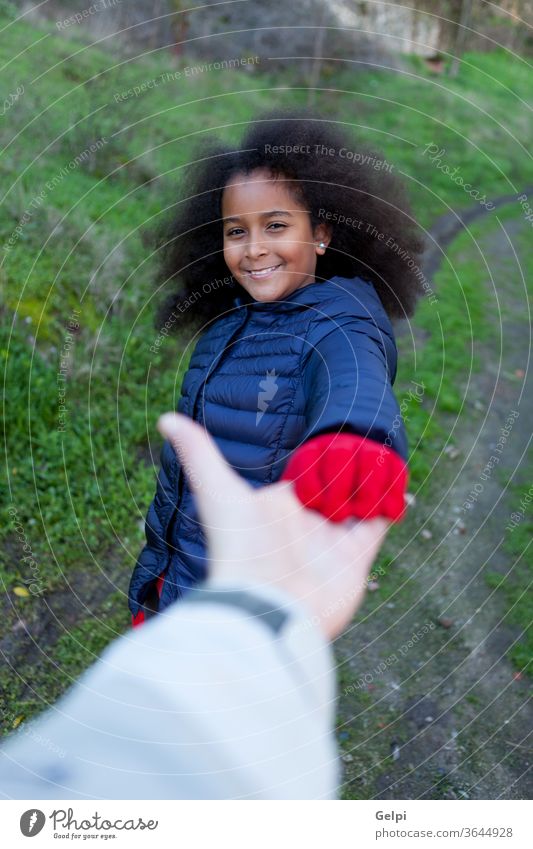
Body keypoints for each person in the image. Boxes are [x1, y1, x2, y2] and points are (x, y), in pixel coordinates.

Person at [129, 108, 424, 624]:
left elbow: (355, 376)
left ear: (322, 235)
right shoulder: (225, 328)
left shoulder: (337, 320)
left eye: (277, 225)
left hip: (251, 603)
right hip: (178, 585)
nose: (255, 248)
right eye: (235, 231)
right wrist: (158, 584)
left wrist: (352, 442)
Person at [0, 413, 390, 800]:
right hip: (192, 541)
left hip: (252, 532)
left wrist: (354, 448)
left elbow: (358, 387)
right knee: (161, 608)